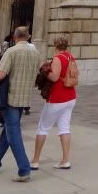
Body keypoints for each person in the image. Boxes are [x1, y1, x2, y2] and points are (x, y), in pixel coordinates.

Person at [0, 26, 42, 181]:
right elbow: (39, 72)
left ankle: (24, 169)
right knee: (9, 131)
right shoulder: (36, 53)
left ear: (14, 37)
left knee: (14, 133)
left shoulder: (11, 52)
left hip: (10, 98)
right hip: (24, 98)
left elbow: (1, 74)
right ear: (28, 37)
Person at [30, 35, 76, 170]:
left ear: (55, 46)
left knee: (43, 128)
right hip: (70, 96)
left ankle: (35, 160)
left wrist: (44, 70)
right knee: (65, 128)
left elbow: (55, 77)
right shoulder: (70, 57)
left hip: (57, 98)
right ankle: (65, 160)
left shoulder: (58, 58)